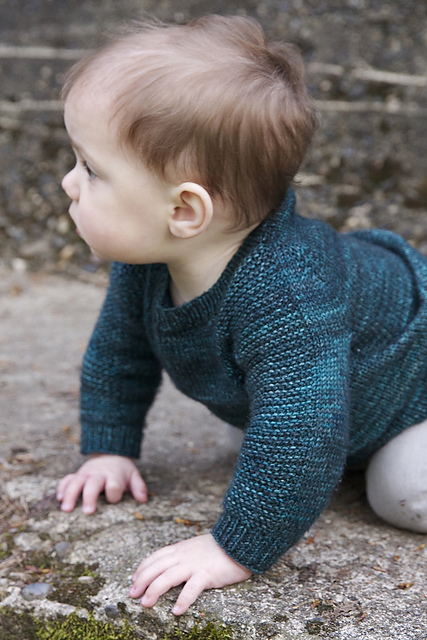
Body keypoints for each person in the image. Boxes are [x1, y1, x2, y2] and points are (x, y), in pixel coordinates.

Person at [56, 14, 427, 616]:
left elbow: (302, 434)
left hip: (411, 389)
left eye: (92, 170)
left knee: (401, 492)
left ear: (185, 210)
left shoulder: (289, 295)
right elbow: (120, 351)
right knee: (261, 426)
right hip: (339, 392)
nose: (70, 184)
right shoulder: (149, 259)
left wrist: (234, 548)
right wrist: (108, 448)